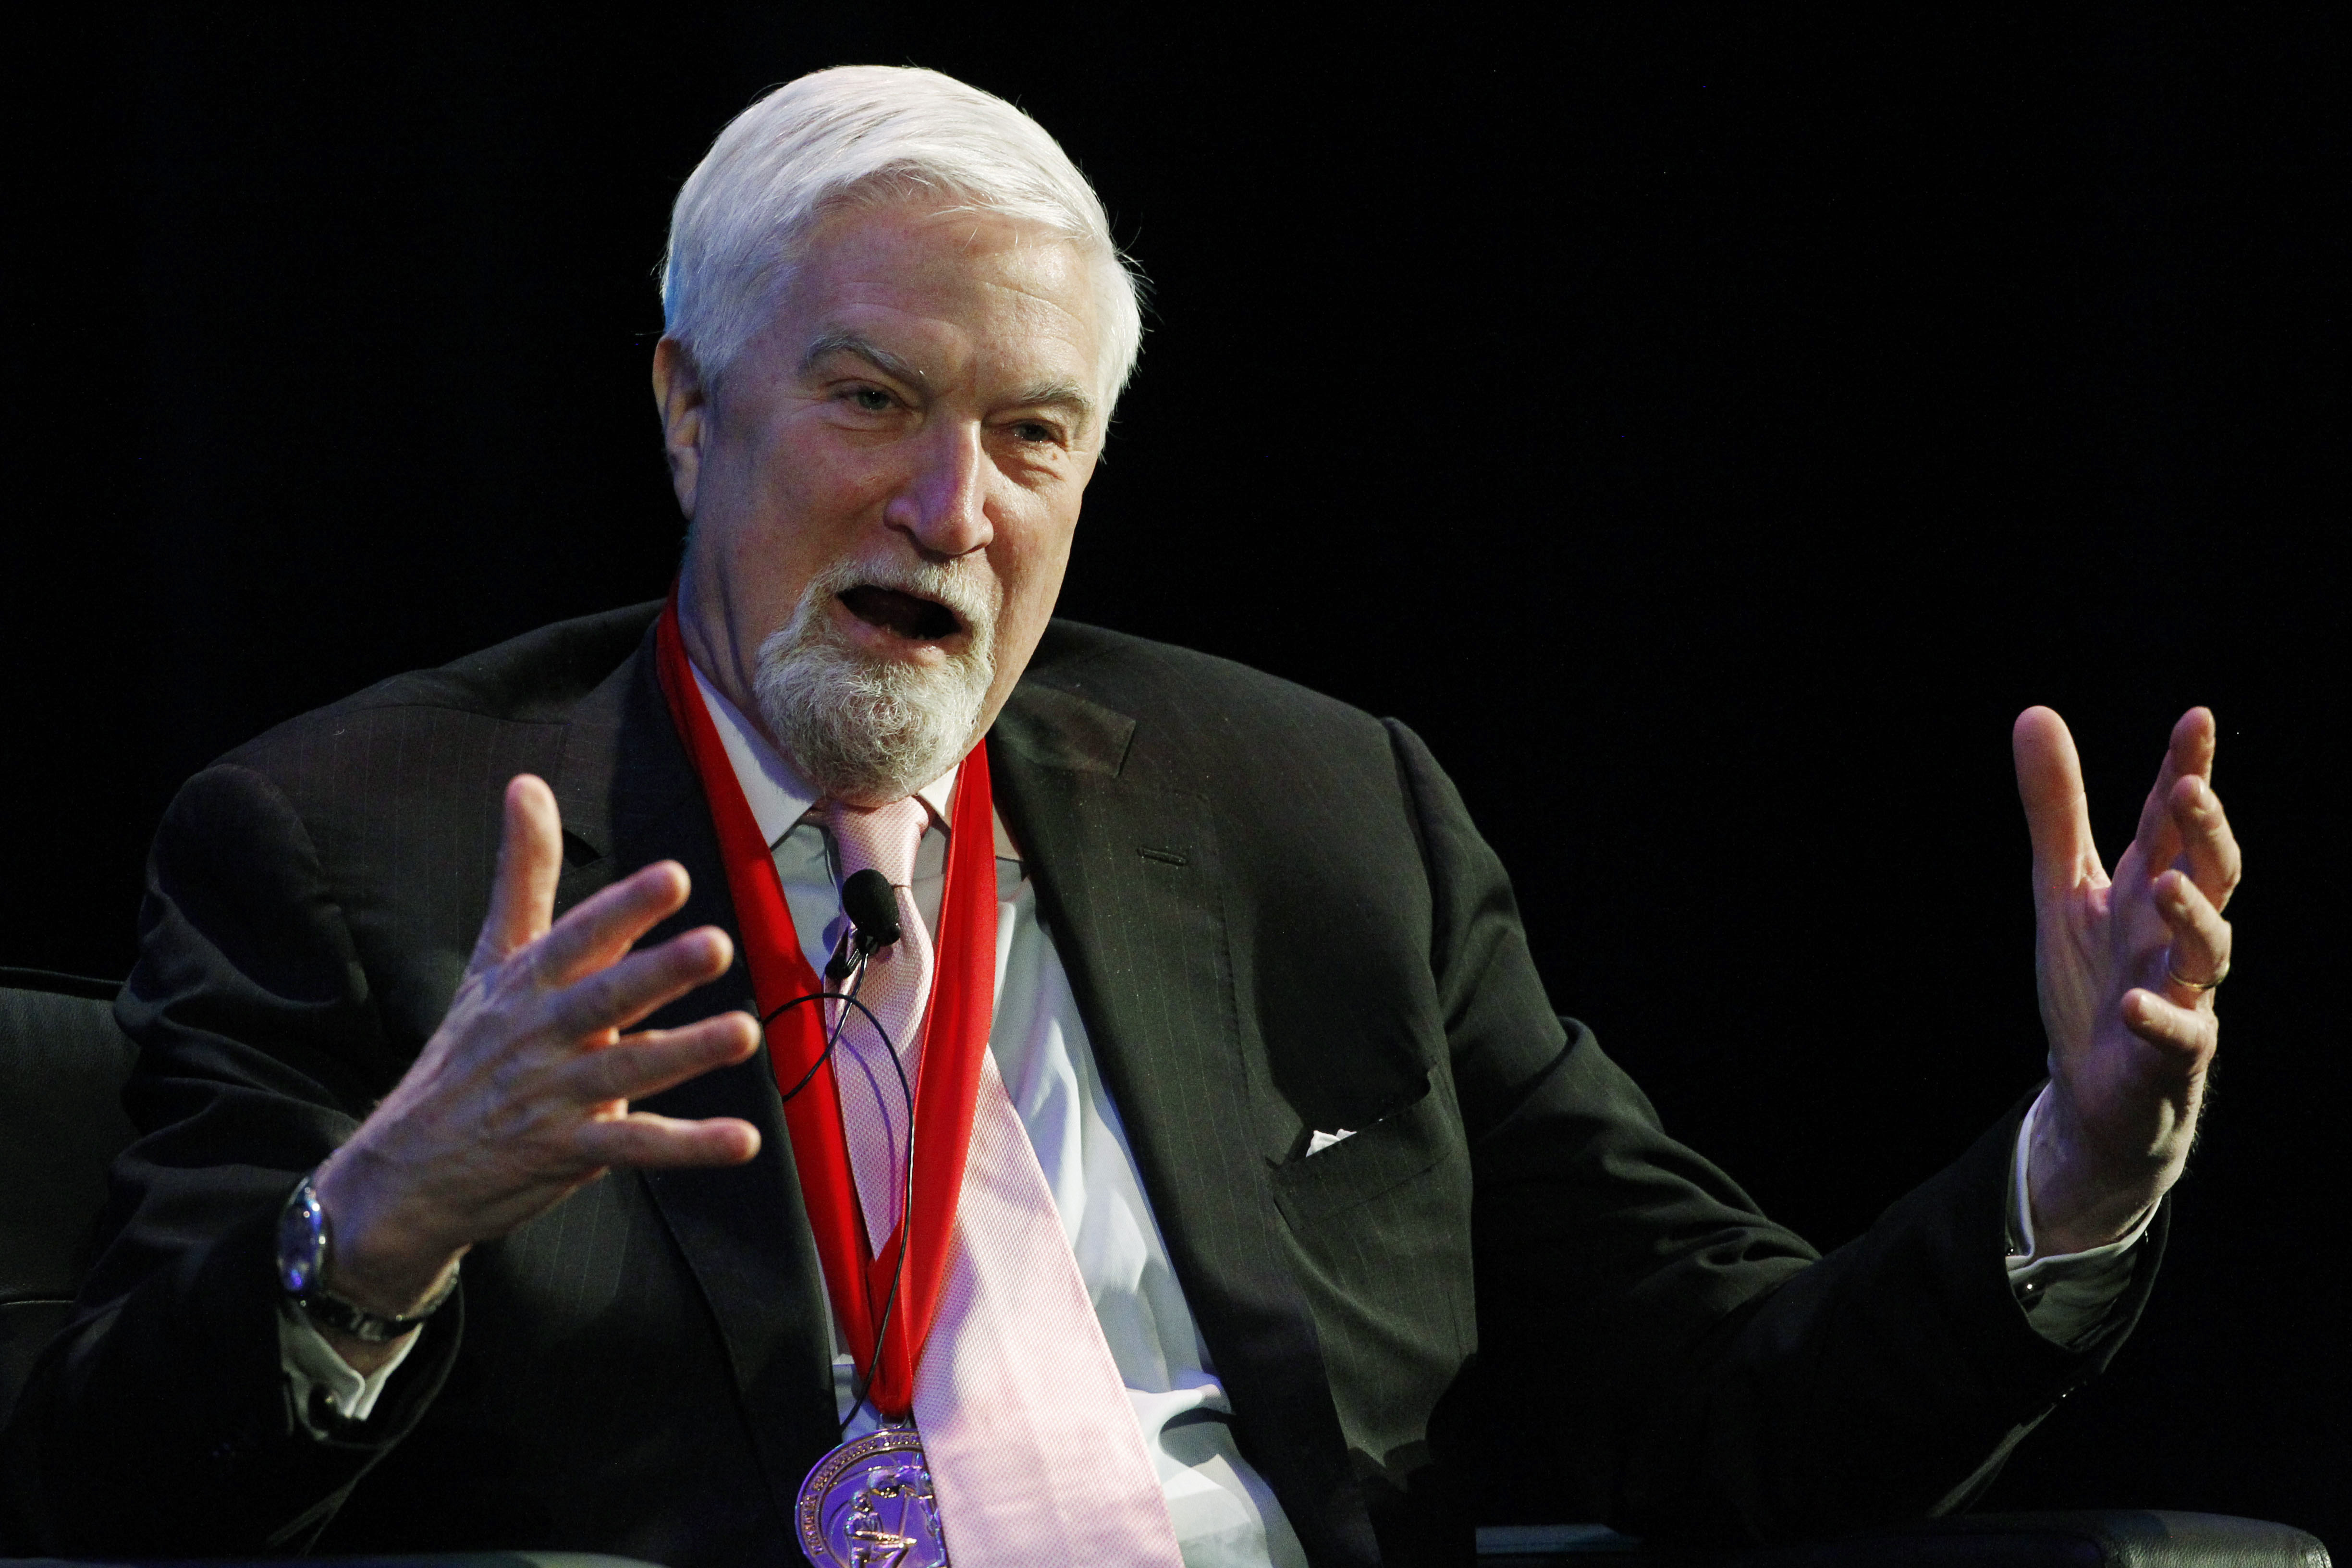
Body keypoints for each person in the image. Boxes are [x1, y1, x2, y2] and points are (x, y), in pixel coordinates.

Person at [0, 66, 2240, 1568]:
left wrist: (2076, 1170)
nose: (952, 509)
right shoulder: (357, 847)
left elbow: (1724, 1405)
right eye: (872, 399)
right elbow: (109, 1493)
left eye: (1033, 436)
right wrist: (380, 1221)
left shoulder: (1317, 818)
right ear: (689, 407)